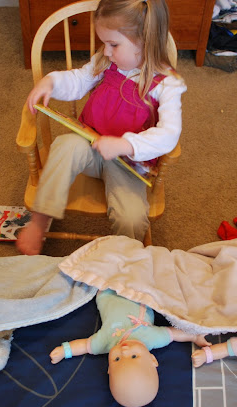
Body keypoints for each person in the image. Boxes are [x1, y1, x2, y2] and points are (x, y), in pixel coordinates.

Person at [17, 0, 186, 255]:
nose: (106, 51)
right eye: (104, 43)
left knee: (132, 220)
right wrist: (51, 81)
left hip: (128, 165)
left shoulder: (167, 84)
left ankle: (122, 257)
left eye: (113, 44)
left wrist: (125, 145)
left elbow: (169, 134)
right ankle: (39, 221)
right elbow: (80, 79)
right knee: (65, 146)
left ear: (145, 41)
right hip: (90, 145)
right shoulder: (107, 61)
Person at [50, 289, 210, 407]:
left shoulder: (104, 343)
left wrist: (65, 351)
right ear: (152, 359)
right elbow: (174, 334)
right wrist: (194, 337)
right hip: (138, 288)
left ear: (109, 368)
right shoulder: (152, 338)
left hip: (108, 290)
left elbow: (84, 346)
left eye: (117, 359)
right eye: (134, 356)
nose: (124, 351)